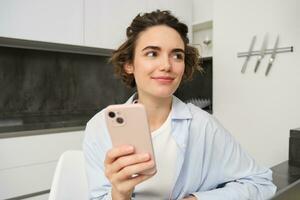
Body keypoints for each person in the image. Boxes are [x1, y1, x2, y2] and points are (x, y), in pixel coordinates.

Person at [83, 10, 276, 200]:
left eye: (177, 56)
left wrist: (197, 199)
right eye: (152, 53)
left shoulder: (204, 126)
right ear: (129, 64)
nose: (167, 65)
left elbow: (261, 183)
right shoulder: (99, 128)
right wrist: (119, 195)